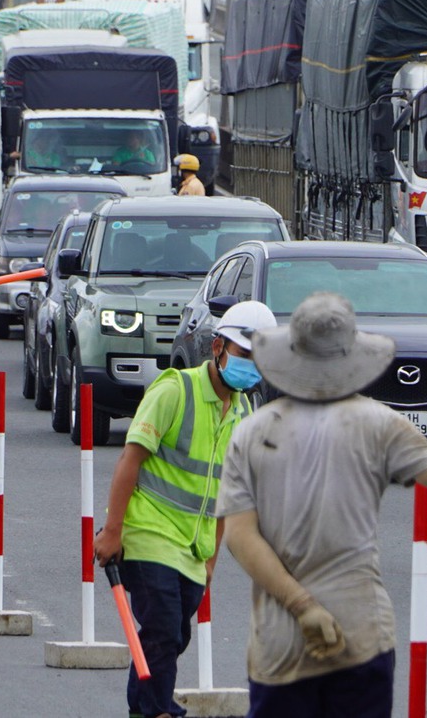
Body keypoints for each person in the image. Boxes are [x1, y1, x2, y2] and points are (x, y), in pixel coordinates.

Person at [218, 293, 427, 717]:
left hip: (279, 650)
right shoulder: (378, 423)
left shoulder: (251, 433)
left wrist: (302, 606)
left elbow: (240, 537)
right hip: (361, 638)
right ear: (351, 360)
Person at [93, 300, 278, 718]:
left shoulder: (246, 413)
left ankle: (144, 708)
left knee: (173, 635)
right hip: (148, 534)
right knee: (161, 628)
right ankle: (160, 711)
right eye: (245, 354)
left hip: (193, 549)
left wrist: (212, 557)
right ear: (218, 347)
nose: (252, 365)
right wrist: (113, 530)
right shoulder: (176, 389)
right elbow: (130, 460)